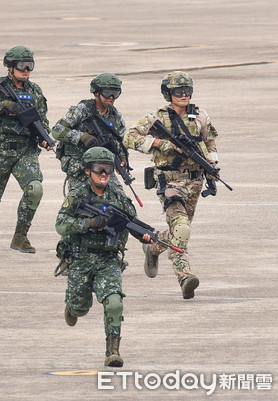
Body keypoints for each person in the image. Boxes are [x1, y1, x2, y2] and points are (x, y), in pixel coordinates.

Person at [123, 71, 220, 299]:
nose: (184, 94)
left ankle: (153, 247)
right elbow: (129, 137)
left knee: (180, 233)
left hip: (195, 182)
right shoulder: (157, 117)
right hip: (170, 181)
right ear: (168, 93)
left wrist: (213, 169)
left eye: (187, 90)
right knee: (181, 228)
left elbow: (210, 143)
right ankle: (184, 277)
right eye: (178, 91)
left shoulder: (200, 116)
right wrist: (158, 143)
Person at [55, 147, 152, 367]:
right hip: (81, 258)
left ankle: (112, 351)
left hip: (108, 260)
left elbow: (132, 223)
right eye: (99, 169)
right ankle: (72, 307)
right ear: (87, 170)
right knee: (79, 308)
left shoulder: (118, 196)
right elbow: (60, 225)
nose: (104, 174)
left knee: (114, 302)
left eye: (108, 169)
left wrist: (145, 237)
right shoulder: (78, 195)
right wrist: (90, 223)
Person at [0, 45, 53, 260]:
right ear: (9, 67)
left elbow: (42, 121)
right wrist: (2, 106)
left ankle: (20, 236)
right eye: (21, 66)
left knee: (35, 189)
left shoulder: (35, 91)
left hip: (25, 151)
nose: (26, 70)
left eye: (30, 66)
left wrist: (45, 138)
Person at [51, 73, 127, 193]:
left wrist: (122, 158)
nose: (111, 97)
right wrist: (82, 137)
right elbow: (56, 130)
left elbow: (121, 141)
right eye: (107, 93)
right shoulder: (82, 109)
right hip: (80, 165)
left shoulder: (115, 116)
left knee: (118, 196)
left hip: (103, 166)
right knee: (80, 199)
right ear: (96, 92)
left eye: (115, 93)